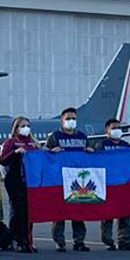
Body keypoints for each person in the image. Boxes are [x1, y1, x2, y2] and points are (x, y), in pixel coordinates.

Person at [44, 107, 93, 252]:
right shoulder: (55, 136)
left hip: (78, 181)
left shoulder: (82, 137)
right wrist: (51, 151)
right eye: (68, 118)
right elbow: (44, 153)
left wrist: (90, 152)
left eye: (73, 118)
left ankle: (79, 241)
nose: (71, 121)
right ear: (62, 120)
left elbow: (88, 155)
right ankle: (60, 242)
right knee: (60, 212)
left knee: (78, 211)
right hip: (60, 180)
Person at [94, 119, 130, 251]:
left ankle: (124, 240)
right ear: (107, 131)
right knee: (108, 214)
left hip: (124, 185)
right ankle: (108, 240)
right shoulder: (102, 145)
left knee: (125, 214)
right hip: (108, 185)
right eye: (114, 128)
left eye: (119, 127)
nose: (117, 130)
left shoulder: (126, 146)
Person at [0, 116, 38, 253]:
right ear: (16, 129)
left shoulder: (33, 143)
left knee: (29, 212)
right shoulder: (11, 142)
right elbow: (2, 160)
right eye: (22, 126)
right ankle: (16, 239)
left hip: (30, 182)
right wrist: (15, 153)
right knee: (18, 211)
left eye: (27, 125)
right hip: (15, 181)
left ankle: (27, 239)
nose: (26, 128)